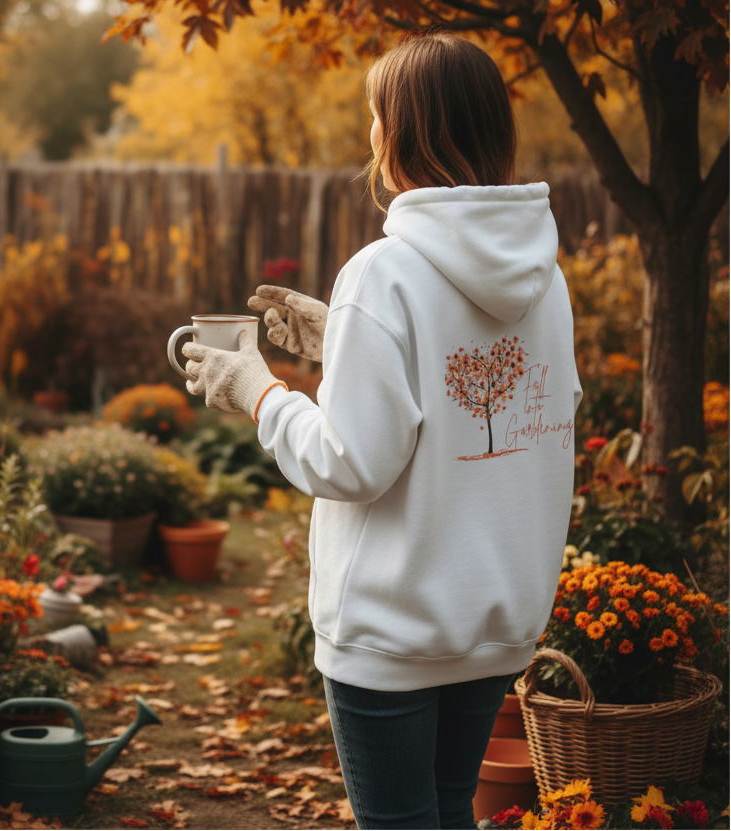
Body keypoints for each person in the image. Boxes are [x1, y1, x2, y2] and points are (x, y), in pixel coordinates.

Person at [182, 31, 582, 831]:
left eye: (376, 115)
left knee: (400, 819)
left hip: (393, 633)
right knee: (444, 810)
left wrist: (258, 390)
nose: (370, 133)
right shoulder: (545, 279)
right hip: (493, 621)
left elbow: (350, 463)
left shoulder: (382, 270)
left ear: (404, 132)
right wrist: (343, 339)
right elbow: (487, 400)